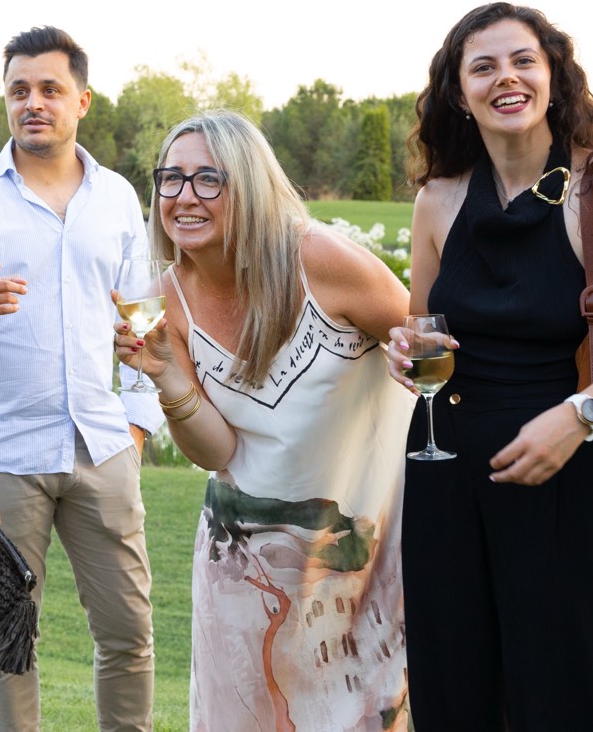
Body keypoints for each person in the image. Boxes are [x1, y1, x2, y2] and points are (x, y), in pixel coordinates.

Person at [386, 3, 593, 731]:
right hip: (445, 467)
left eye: (523, 60)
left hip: (567, 466)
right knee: (452, 681)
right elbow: (422, 325)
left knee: (563, 687)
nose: (507, 78)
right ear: (459, 92)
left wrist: (579, 415)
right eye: (483, 67)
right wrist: (406, 351)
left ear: (553, 76)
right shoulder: (437, 199)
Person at [122, 109, 415, 732]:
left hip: (358, 559)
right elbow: (217, 451)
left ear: (250, 187)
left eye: (208, 179)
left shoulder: (323, 262)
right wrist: (166, 375)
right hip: (244, 569)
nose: (183, 196)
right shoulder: (163, 296)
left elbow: (425, 348)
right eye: (170, 179)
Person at [0, 26, 161, 732]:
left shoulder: (119, 199)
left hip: (102, 447)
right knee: (9, 639)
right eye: (18, 89)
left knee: (128, 633)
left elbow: (146, 327)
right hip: (2, 455)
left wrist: (135, 427)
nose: (32, 102)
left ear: (82, 100)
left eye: (49, 89)